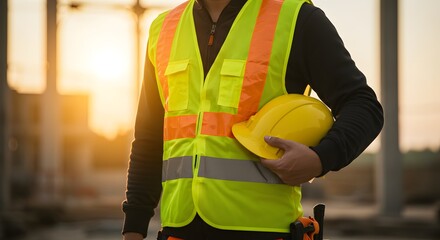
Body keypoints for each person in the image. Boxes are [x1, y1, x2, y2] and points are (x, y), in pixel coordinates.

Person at [122, 0, 384, 239]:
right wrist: (134, 228)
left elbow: (364, 106)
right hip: (178, 233)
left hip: (266, 232)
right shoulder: (163, 29)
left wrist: (320, 159)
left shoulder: (296, 19)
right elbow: (149, 138)